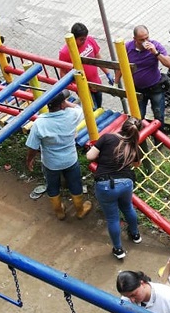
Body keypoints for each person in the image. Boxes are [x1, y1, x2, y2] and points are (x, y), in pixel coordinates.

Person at [26, 89, 92, 220]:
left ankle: (59, 211)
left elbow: (32, 146)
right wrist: (67, 104)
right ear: (62, 104)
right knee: (75, 183)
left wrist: (29, 160)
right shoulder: (71, 115)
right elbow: (80, 109)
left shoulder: (40, 123)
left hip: (51, 163)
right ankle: (80, 210)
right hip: (70, 159)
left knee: (52, 186)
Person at [86, 117, 142, 259]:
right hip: (126, 183)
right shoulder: (134, 145)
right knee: (128, 207)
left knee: (112, 218)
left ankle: (118, 249)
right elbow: (137, 164)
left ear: (123, 126)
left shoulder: (107, 138)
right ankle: (135, 235)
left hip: (106, 185)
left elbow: (89, 156)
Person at [116, 25, 170, 129]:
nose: (145, 41)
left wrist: (155, 53)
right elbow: (121, 65)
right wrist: (116, 83)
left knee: (159, 116)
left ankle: (158, 142)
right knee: (138, 117)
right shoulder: (128, 47)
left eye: (147, 38)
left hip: (155, 87)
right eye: (141, 39)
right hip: (138, 90)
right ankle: (140, 141)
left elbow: (169, 64)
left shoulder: (155, 45)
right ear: (135, 39)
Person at [59, 23, 114, 109]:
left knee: (99, 106)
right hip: (83, 87)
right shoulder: (65, 52)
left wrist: (107, 73)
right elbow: (63, 72)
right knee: (92, 108)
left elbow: (98, 57)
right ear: (74, 38)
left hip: (96, 83)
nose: (84, 41)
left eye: (85, 38)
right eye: (81, 39)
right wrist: (73, 88)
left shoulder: (90, 40)